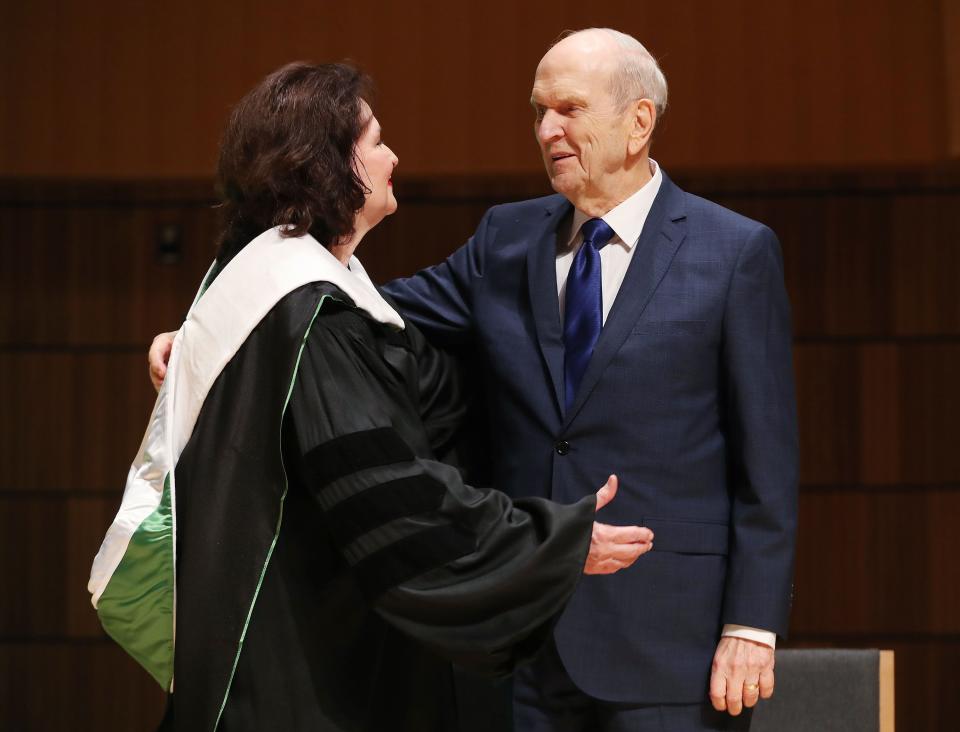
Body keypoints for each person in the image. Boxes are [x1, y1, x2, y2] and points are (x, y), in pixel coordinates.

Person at [151, 28, 798, 731]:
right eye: (538, 111)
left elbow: (767, 464)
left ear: (638, 121)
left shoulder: (733, 253)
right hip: (518, 637)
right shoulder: (507, 238)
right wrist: (217, 337)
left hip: (670, 640)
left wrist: (751, 624)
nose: (546, 129)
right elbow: (358, 317)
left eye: (569, 109)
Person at [94, 61, 655, 732]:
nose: (395, 156)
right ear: (330, 165)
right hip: (298, 673)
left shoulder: (268, 287)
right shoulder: (311, 317)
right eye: (377, 141)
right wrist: (551, 543)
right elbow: (393, 499)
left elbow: (427, 377)